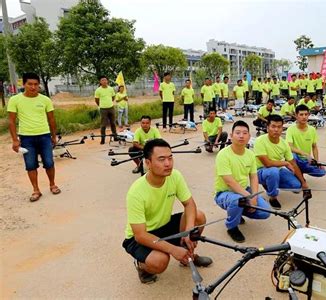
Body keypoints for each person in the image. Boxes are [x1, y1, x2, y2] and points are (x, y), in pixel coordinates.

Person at [122, 139, 212, 284]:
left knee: (198, 217)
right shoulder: (136, 192)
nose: (168, 163)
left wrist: (189, 232)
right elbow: (140, 235)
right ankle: (142, 266)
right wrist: (173, 250)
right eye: (161, 159)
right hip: (141, 236)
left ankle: (187, 256)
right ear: (148, 163)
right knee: (160, 261)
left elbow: (189, 204)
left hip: (164, 225)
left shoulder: (175, 176)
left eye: (170, 158)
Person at [214, 120, 271, 243]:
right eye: (238, 132)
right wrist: (248, 196)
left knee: (265, 212)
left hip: (245, 191)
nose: (241, 136)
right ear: (231, 135)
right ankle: (232, 227)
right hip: (225, 193)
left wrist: (254, 197)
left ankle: (238, 213)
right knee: (237, 200)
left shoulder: (250, 154)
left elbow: (254, 177)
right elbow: (229, 181)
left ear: (249, 137)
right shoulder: (223, 155)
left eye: (245, 133)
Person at [8, 72, 61, 202]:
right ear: (24, 84)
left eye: (36, 84)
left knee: (49, 162)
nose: (33, 87)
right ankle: (36, 190)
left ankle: (52, 184)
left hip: (44, 136)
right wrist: (15, 140)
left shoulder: (45, 100)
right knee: (31, 165)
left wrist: (53, 136)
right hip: (26, 138)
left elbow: (52, 119)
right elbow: (11, 121)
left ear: (39, 85)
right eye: (30, 84)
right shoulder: (15, 100)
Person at [254, 114, 309, 209]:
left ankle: (270, 184)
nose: (276, 130)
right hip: (259, 172)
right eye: (273, 126)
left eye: (279, 127)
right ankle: (273, 197)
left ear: (282, 129)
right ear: (267, 128)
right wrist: (285, 163)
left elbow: (293, 163)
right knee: (273, 172)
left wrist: (303, 182)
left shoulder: (284, 143)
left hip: (276, 170)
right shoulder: (260, 141)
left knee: (296, 186)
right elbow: (267, 163)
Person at [286, 105, 326, 177]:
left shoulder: (312, 129)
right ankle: (297, 172)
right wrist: (304, 153)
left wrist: (316, 162)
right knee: (291, 156)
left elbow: (314, 147)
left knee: (322, 172)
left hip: (307, 160)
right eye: (301, 115)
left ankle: (299, 170)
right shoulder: (291, 129)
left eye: (306, 114)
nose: (304, 117)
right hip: (296, 158)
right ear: (296, 115)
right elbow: (290, 147)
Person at [95, 75, 117, 144]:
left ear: (107, 81)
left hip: (111, 108)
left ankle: (115, 137)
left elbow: (113, 97)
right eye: (102, 80)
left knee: (113, 123)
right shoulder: (98, 90)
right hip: (103, 109)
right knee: (103, 125)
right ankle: (103, 139)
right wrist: (101, 105)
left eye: (105, 80)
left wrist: (109, 103)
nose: (104, 81)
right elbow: (96, 100)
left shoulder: (111, 89)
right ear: (100, 82)